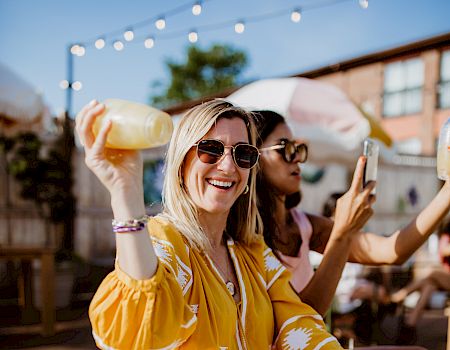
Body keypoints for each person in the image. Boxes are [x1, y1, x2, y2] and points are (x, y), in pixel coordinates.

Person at [76, 99, 376, 349]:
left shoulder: (254, 253)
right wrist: (124, 194)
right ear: (182, 162)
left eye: (243, 154)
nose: (228, 166)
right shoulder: (165, 241)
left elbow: (299, 324)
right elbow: (141, 327)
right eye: (211, 149)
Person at [252, 110, 450, 319]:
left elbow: (393, 251)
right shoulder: (244, 235)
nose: (298, 159)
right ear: (252, 156)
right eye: (286, 148)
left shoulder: (305, 225)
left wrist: (447, 190)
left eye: (299, 148)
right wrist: (343, 232)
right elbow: (300, 317)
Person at [390, 219, 450, 344]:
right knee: (429, 285)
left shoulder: (444, 238)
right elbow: (444, 250)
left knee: (431, 273)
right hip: (445, 280)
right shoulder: (445, 236)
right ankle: (410, 325)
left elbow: (445, 250)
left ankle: (399, 296)